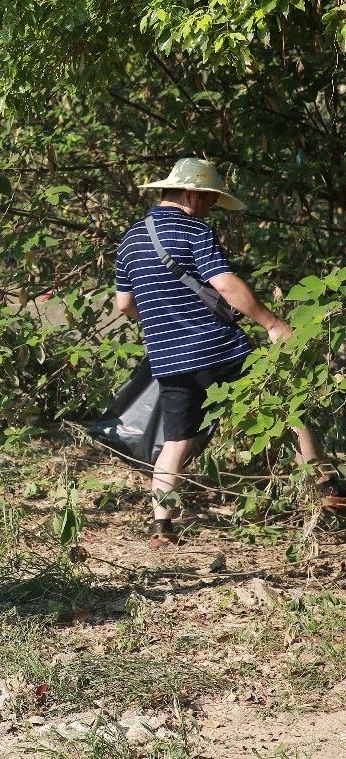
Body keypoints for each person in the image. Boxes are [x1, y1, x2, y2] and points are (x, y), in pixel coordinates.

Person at [114, 159, 345, 548]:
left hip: (169, 359)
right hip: (220, 348)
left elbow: (124, 304)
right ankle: (326, 490)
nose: (210, 208)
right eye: (209, 200)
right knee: (286, 408)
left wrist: (164, 326)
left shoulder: (130, 240)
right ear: (190, 194)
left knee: (176, 441)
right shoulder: (194, 229)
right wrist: (271, 323)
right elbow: (225, 285)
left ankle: (161, 528)